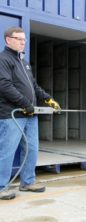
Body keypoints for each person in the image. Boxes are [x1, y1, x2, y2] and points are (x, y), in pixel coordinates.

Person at [0, 27, 61, 200]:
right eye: (19, 39)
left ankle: (27, 182)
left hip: (30, 116)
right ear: (8, 40)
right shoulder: (3, 60)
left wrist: (48, 99)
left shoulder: (24, 62)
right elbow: (4, 86)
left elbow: (33, 86)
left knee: (31, 149)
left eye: (24, 39)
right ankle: (1, 186)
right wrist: (26, 104)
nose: (23, 42)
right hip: (11, 115)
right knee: (6, 151)